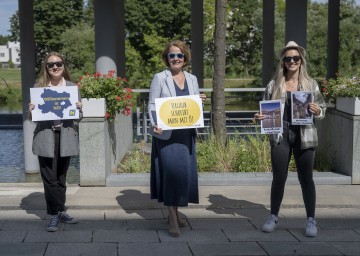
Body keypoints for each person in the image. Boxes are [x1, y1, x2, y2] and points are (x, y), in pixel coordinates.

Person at [254, 41, 326, 237]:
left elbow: (323, 110)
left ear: (301, 61)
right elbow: (264, 110)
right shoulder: (274, 84)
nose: (292, 61)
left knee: (306, 179)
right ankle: (274, 216)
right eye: (288, 59)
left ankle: (311, 219)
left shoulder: (311, 84)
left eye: (296, 58)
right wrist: (259, 117)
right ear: (283, 62)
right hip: (280, 135)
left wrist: (317, 109)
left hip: (305, 135)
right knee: (279, 178)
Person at [148, 40, 206, 237]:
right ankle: (172, 218)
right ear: (167, 58)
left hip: (186, 134)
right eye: (172, 55)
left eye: (179, 55)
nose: (176, 59)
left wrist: (201, 102)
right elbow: (152, 105)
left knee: (182, 175)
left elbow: (194, 107)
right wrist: (154, 123)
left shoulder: (192, 78)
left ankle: (176, 212)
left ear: (185, 58)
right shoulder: (159, 78)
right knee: (171, 174)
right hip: (166, 135)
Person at [28, 52, 82, 232]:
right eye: (51, 65)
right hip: (45, 137)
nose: (55, 67)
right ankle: (54, 214)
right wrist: (32, 110)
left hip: (65, 137)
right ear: (46, 68)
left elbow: (78, 117)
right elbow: (33, 119)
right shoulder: (39, 87)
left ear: (64, 66)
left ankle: (59, 212)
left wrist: (79, 109)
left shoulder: (72, 87)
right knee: (49, 179)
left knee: (60, 178)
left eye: (58, 63)